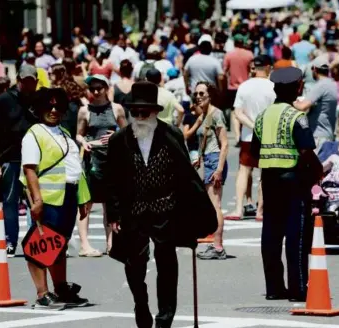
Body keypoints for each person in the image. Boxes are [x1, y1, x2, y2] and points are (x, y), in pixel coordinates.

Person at [106, 81, 217, 328]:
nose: (140, 117)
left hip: (165, 210)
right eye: (135, 112)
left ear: (155, 112)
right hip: (133, 212)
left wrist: (192, 217)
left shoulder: (171, 135)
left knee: (167, 266)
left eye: (145, 112)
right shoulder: (119, 140)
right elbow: (111, 179)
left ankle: (165, 318)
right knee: (134, 265)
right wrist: (113, 214)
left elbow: (185, 178)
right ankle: (141, 303)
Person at [252, 67, 323, 302]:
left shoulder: (262, 117)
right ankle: (298, 287)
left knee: (271, 234)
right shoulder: (296, 117)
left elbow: (254, 152)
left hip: (270, 181)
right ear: (297, 88)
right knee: (297, 234)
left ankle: (273, 287)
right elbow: (306, 151)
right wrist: (318, 170)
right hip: (293, 180)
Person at [20, 87, 90, 309]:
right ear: (39, 109)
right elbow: (30, 168)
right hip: (48, 197)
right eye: (48, 106)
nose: (53, 110)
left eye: (58, 106)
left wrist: (83, 198)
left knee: (59, 244)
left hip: (67, 195)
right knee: (41, 244)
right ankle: (42, 292)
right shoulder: (34, 134)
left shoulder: (66, 133)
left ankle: (60, 288)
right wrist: (37, 200)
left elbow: (75, 167)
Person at [0, 64, 39, 257]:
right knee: (10, 201)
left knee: (35, 200)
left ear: (37, 82)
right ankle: (10, 241)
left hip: (35, 160)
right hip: (10, 158)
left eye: (31, 82)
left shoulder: (39, 100)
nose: (28, 85)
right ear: (18, 80)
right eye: (24, 81)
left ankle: (35, 241)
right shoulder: (4, 100)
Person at [76, 74, 127, 256]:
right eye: (92, 89)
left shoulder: (116, 109)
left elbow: (127, 131)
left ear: (106, 88)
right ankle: (84, 244)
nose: (96, 92)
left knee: (110, 203)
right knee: (86, 203)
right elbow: (79, 134)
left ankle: (110, 242)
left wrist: (115, 136)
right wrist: (84, 143)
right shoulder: (84, 111)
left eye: (99, 88)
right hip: (92, 160)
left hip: (112, 160)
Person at [226, 55, 275, 221]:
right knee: (265, 172)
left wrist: (253, 125)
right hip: (269, 134)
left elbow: (237, 112)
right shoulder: (273, 86)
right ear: (268, 67)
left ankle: (238, 209)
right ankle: (261, 211)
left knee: (244, 170)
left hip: (248, 134)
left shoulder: (244, 86)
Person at [184, 81, 229, 260]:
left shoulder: (216, 114)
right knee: (212, 205)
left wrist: (218, 169)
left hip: (215, 160)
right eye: (196, 94)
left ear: (210, 95)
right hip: (209, 160)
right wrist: (200, 159)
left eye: (202, 93)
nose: (198, 97)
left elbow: (224, 144)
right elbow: (201, 139)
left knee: (215, 205)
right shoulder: (205, 114)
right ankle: (215, 244)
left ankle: (217, 247)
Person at [293, 56, 338, 155]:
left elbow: (302, 106)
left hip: (318, 135)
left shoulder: (320, 86)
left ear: (314, 69)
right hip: (328, 133)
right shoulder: (332, 84)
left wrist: (289, 100)